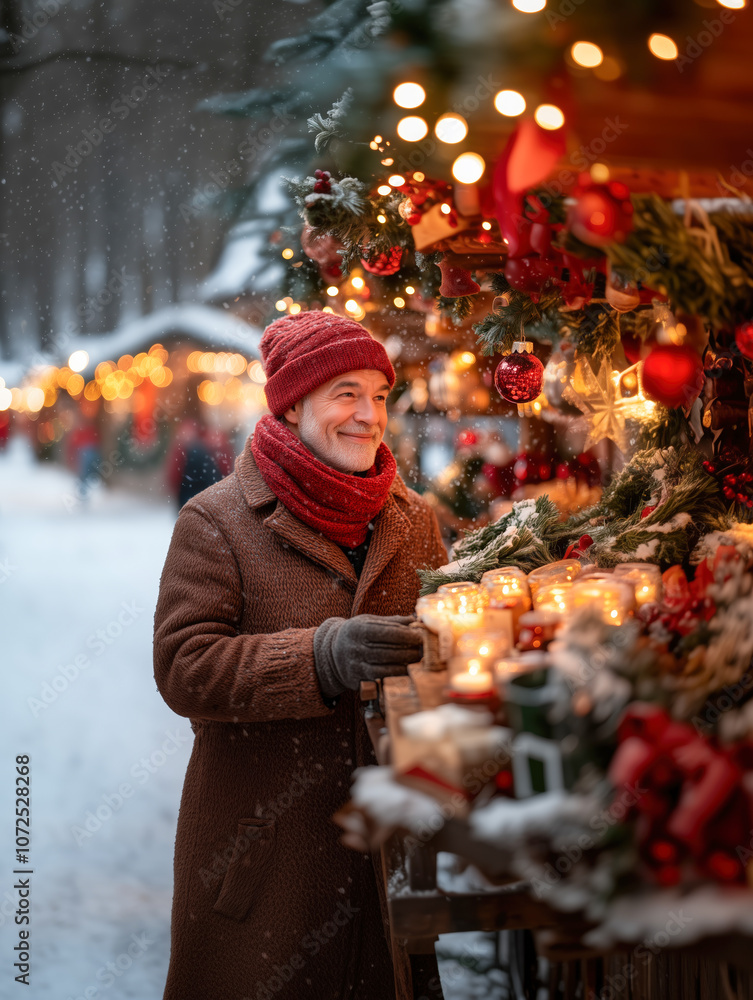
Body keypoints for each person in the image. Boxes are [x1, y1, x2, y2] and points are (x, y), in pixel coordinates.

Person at [153, 311, 448, 1000]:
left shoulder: (413, 519)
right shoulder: (217, 521)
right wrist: (319, 657)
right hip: (266, 864)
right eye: (345, 392)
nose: (367, 415)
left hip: (385, 864)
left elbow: (445, 649)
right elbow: (183, 668)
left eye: (378, 394)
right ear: (291, 404)